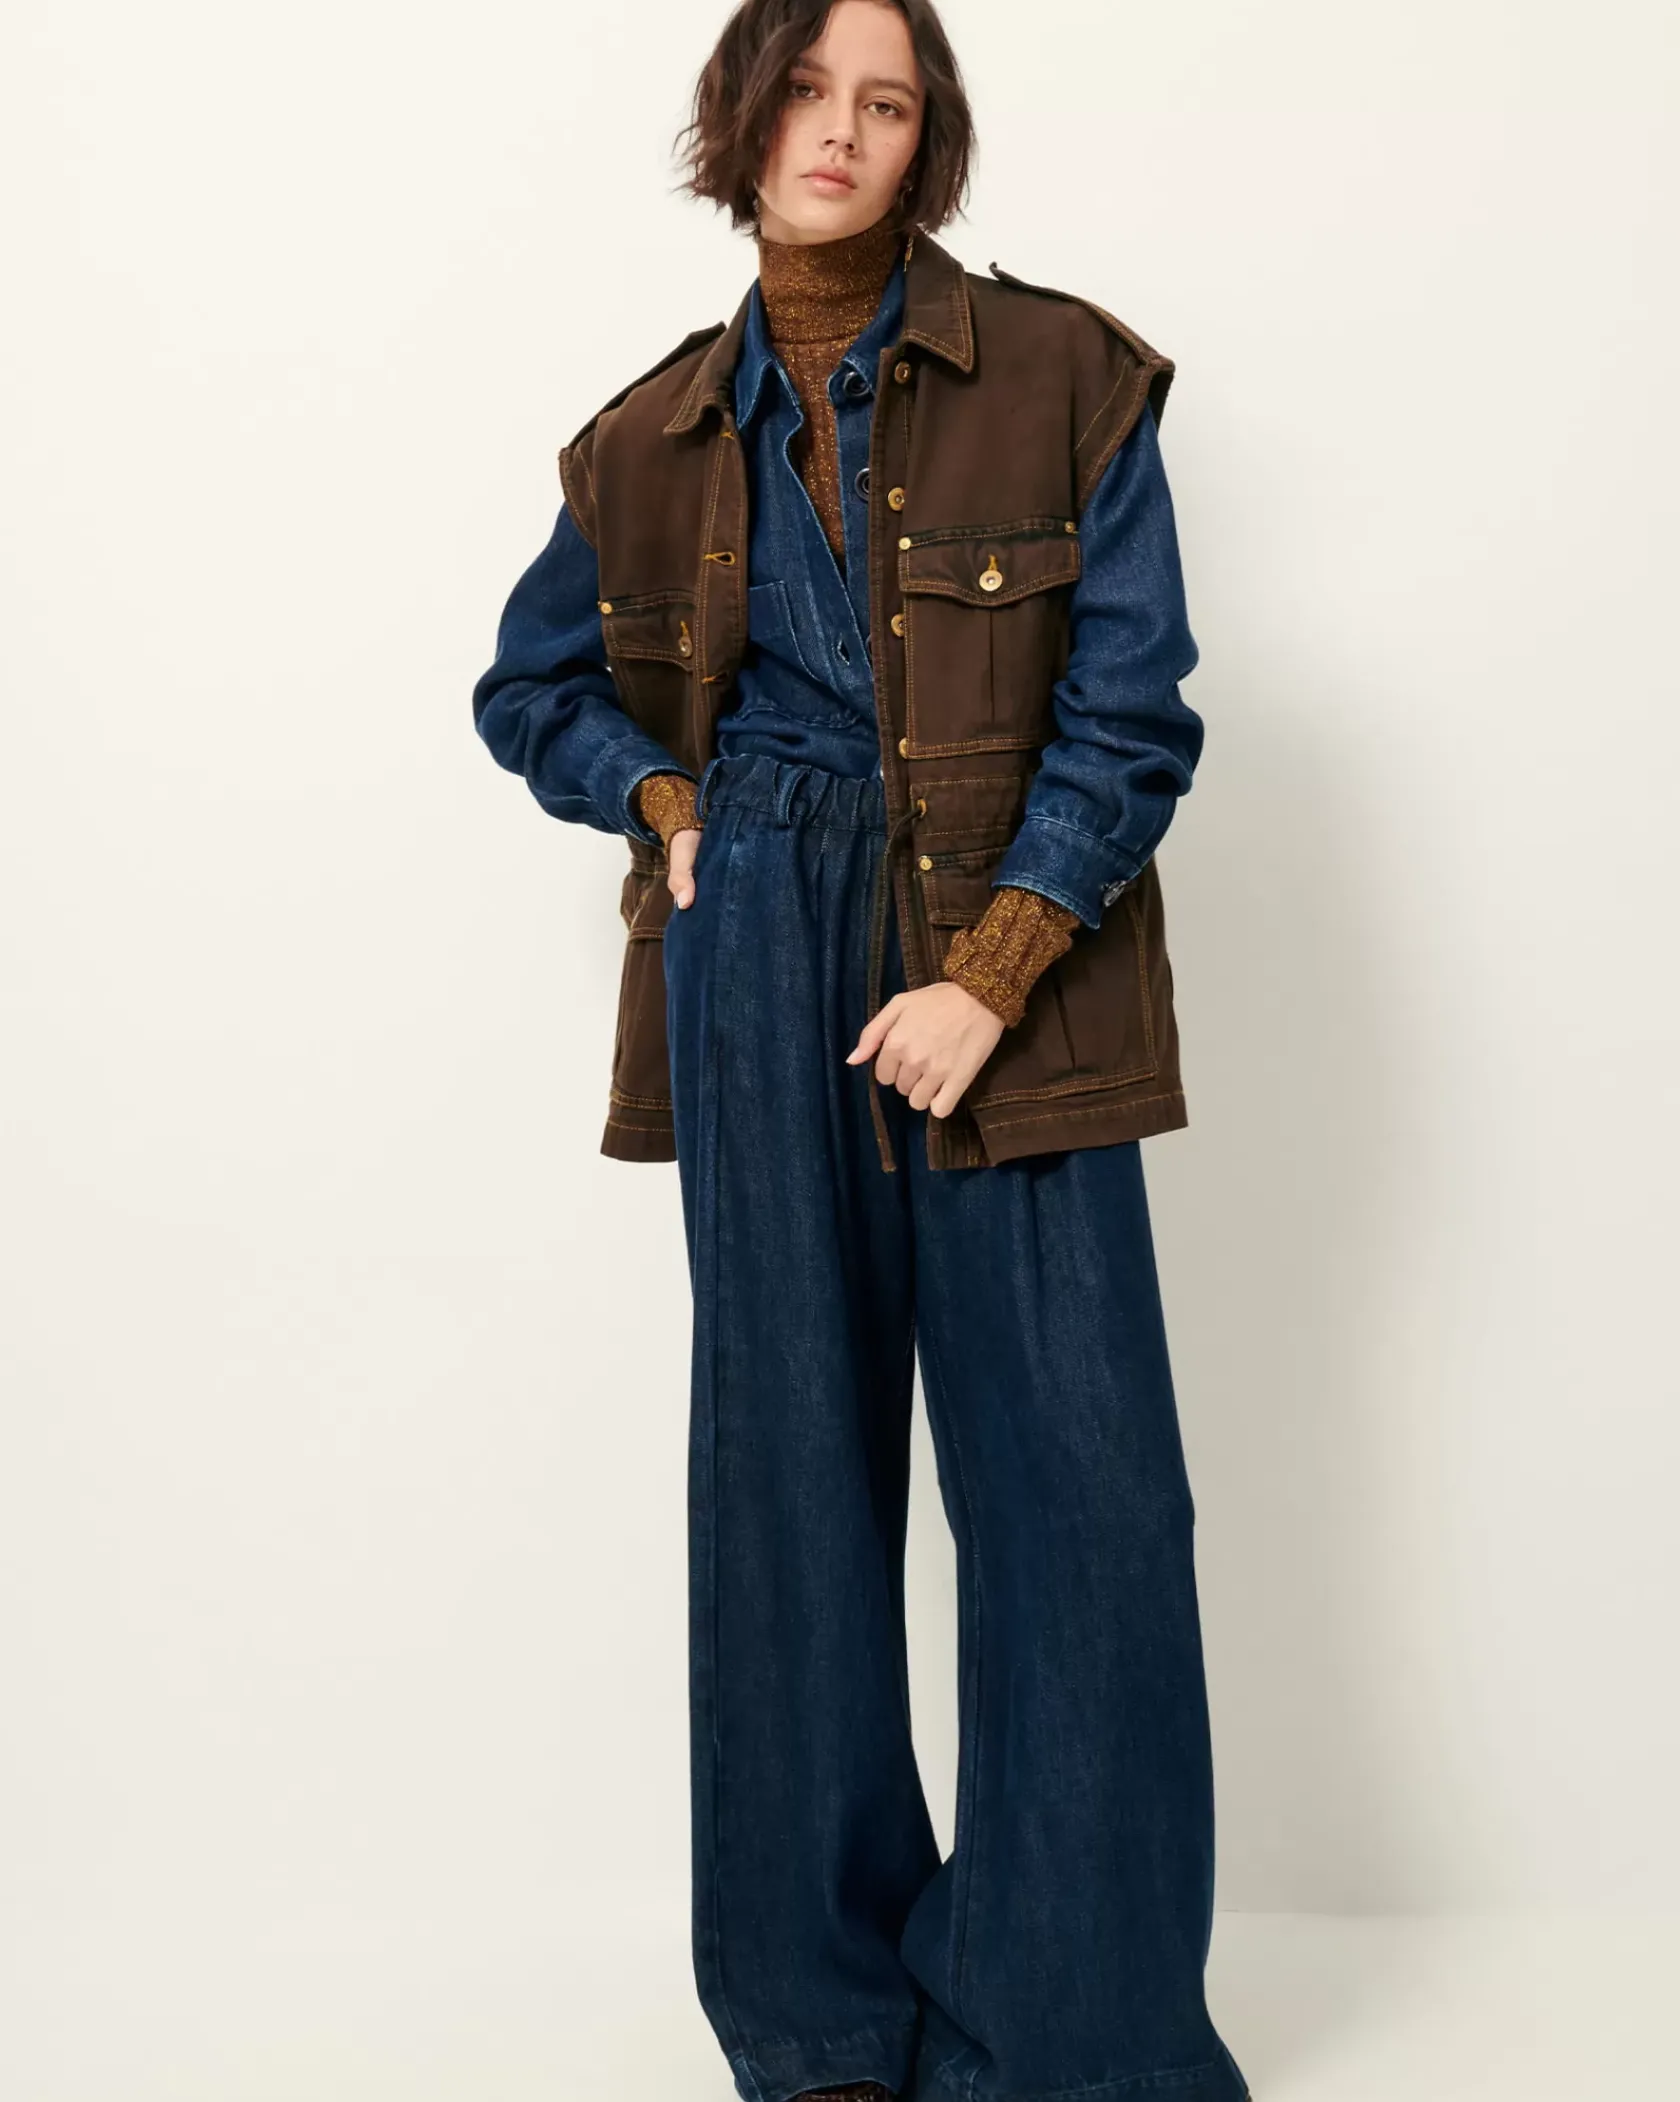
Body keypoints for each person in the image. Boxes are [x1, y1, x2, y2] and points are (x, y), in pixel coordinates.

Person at [471, 4, 1250, 2099]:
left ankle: (1073, 2034)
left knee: (1084, 1504)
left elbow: (1135, 708)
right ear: (742, 122)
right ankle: (824, 2026)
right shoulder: (643, 439)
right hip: (756, 960)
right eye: (807, 92)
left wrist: (993, 967)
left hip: (1011, 978)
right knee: (789, 1497)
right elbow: (529, 690)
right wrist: (663, 799)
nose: (841, 131)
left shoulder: (1069, 374)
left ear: (930, 143)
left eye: (885, 102)